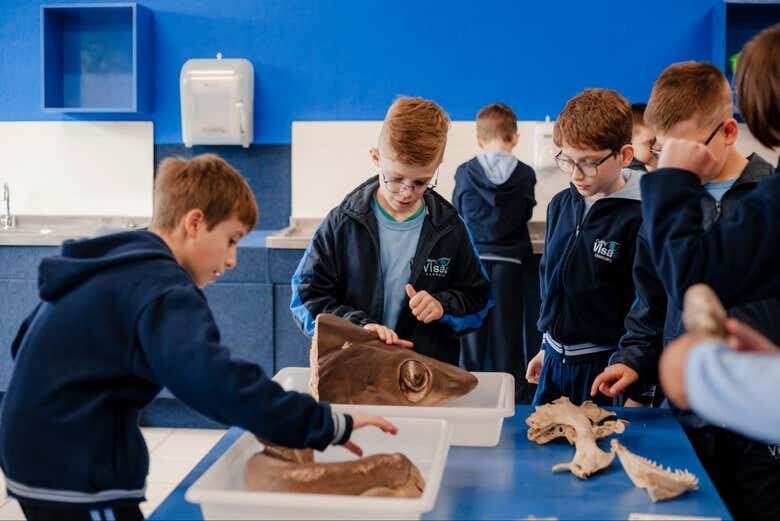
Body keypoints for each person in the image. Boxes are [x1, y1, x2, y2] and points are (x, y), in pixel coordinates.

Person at [0, 154, 396, 521]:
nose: (232, 260)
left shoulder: (121, 264)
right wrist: (325, 424)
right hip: (70, 468)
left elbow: (25, 342)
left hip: (34, 450)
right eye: (231, 239)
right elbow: (214, 381)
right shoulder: (161, 288)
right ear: (194, 223)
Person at [291, 96, 492, 366]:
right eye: (396, 178)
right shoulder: (342, 224)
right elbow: (306, 298)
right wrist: (357, 328)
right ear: (376, 158)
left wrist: (443, 305)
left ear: (438, 165)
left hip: (425, 377)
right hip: (354, 370)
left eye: (421, 182)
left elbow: (478, 299)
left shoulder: (450, 228)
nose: (407, 192)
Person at [525, 88, 641, 407]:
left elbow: (646, 307)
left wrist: (637, 376)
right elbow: (551, 280)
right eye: (567, 160)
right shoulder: (561, 204)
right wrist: (546, 345)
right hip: (553, 362)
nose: (576, 175)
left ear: (625, 155)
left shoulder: (640, 217)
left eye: (589, 164)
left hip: (604, 371)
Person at [452, 102, 536, 401]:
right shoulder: (525, 174)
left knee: (471, 337)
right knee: (508, 337)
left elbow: (459, 213)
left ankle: (468, 398)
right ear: (514, 137)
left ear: (478, 139)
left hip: (473, 263)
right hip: (511, 263)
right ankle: (510, 400)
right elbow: (525, 213)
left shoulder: (465, 173)